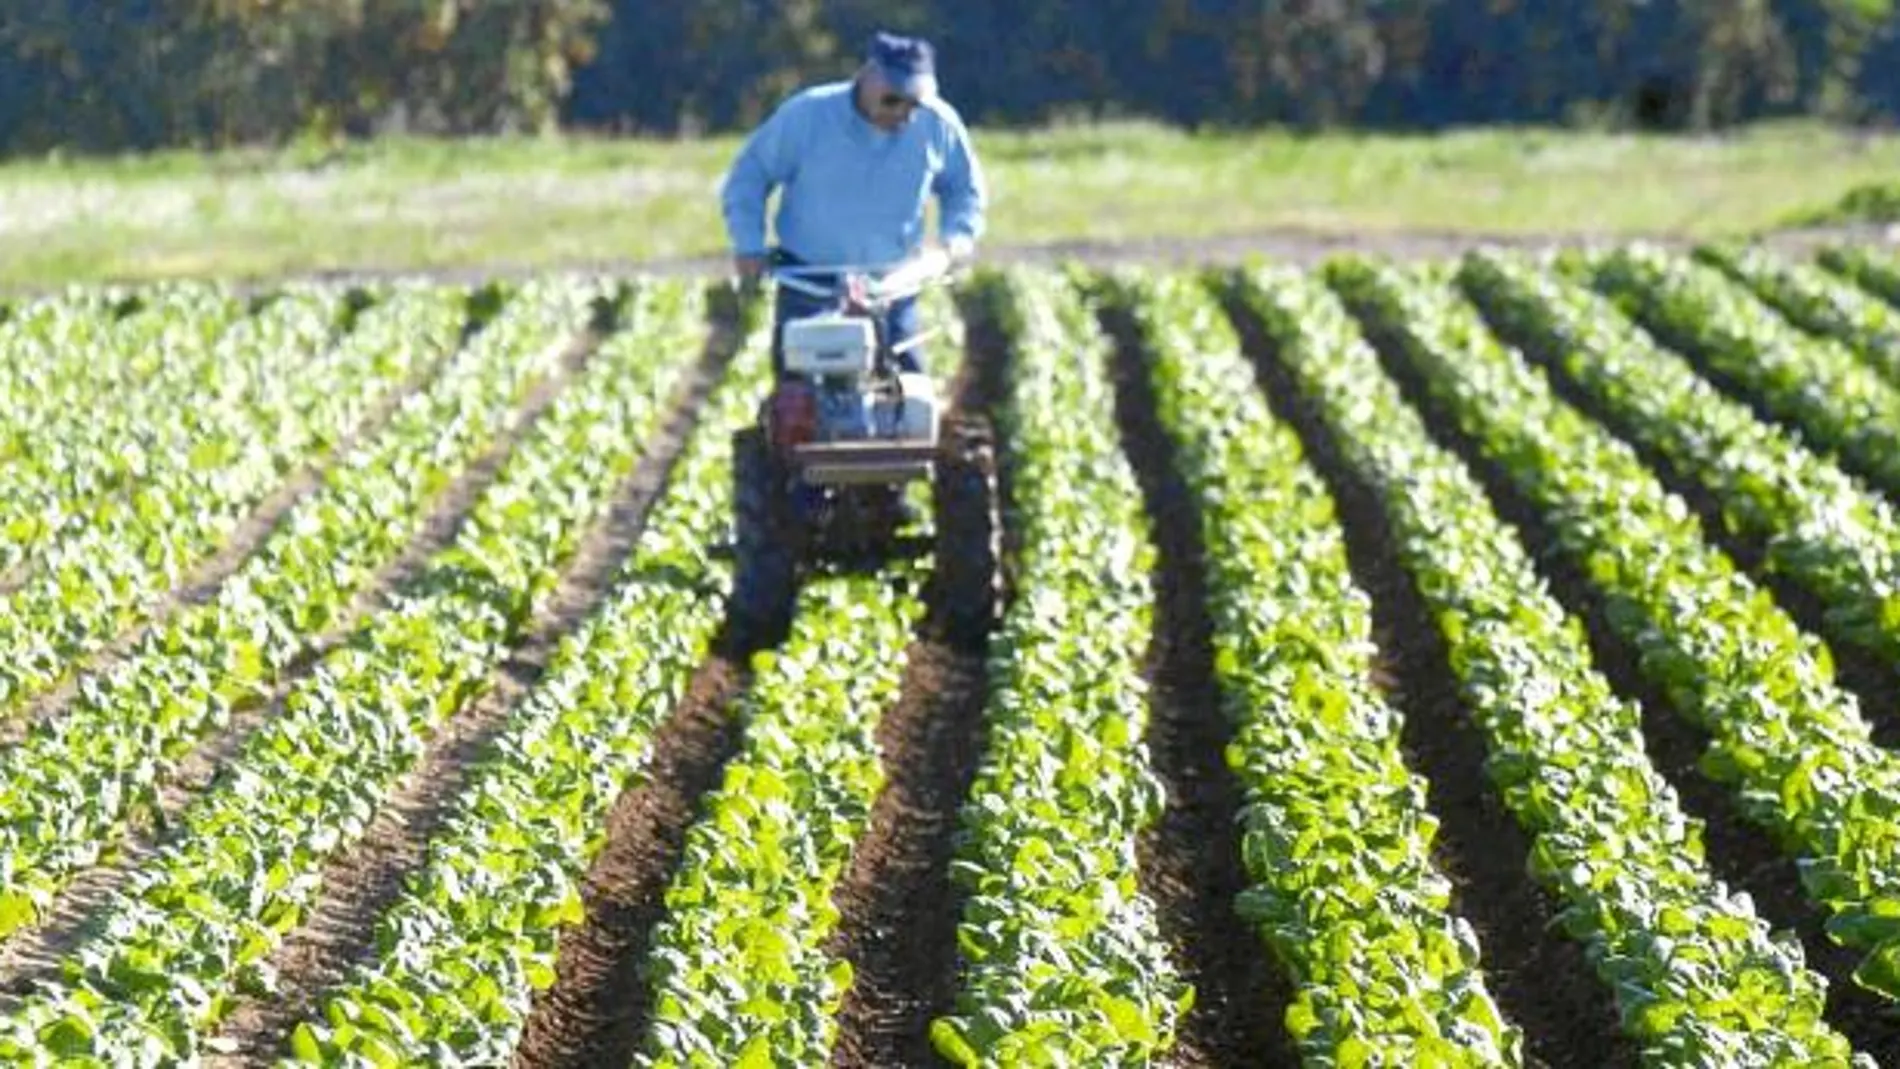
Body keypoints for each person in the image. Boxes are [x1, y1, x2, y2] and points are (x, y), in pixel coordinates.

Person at [719, 30, 988, 377]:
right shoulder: (808, 116)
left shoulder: (938, 125)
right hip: (808, 283)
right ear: (867, 76)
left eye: (915, 104)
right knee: (795, 405)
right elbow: (749, 176)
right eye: (893, 100)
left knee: (910, 397)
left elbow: (964, 190)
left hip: (892, 286)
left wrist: (956, 238)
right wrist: (748, 245)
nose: (905, 114)